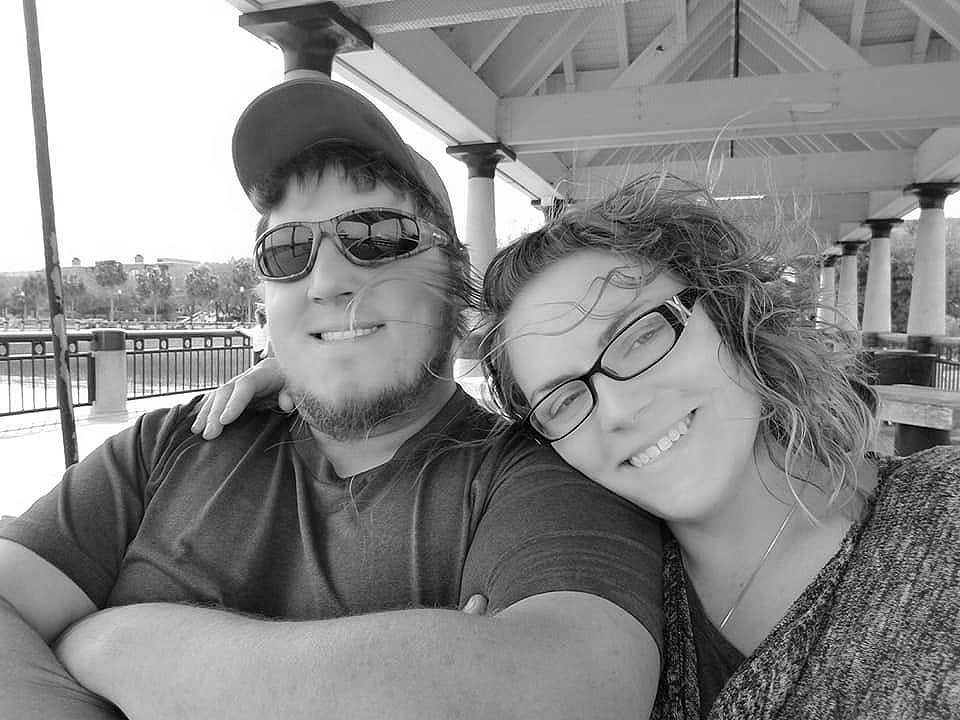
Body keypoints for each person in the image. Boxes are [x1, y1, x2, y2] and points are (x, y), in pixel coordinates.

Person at [0, 77, 663, 719]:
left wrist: (116, 644)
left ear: (456, 284)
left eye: (375, 237)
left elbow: (574, 689)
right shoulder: (166, 447)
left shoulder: (533, 474)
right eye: (287, 250)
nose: (327, 280)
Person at [214, 174, 960, 718]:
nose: (621, 408)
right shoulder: (592, 589)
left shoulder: (940, 516)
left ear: (731, 312)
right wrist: (317, 368)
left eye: (639, 337)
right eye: (565, 397)